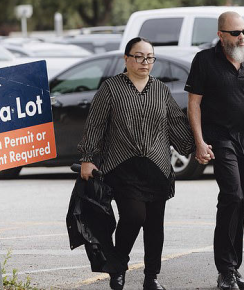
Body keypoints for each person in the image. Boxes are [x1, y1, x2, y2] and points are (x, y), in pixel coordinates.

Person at [77, 37, 194, 290]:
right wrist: (87, 159)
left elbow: (175, 122)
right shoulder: (110, 88)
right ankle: (118, 267)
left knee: (155, 226)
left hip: (157, 167)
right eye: (139, 56)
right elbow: (95, 125)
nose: (145, 62)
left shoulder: (161, 90)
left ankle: (151, 277)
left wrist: (198, 146)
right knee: (133, 216)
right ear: (126, 59)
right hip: (122, 166)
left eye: (149, 57)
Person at [184, 11, 244, 290]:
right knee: (232, 196)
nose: (242, 37)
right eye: (235, 33)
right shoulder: (204, 61)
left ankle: (234, 269)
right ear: (221, 36)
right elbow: (194, 104)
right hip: (221, 139)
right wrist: (200, 142)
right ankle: (225, 270)